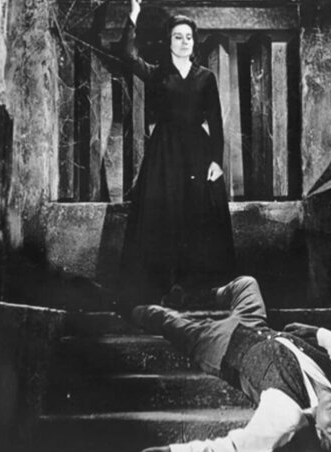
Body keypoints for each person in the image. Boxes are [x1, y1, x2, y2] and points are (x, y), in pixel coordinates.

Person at [131, 276, 331, 452]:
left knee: (162, 319)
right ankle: (186, 298)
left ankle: (127, 308)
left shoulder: (287, 414)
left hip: (222, 346)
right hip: (256, 325)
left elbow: (237, 447)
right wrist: (317, 332)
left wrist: (171, 451)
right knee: (247, 283)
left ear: (320, 433)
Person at [119, 0, 235, 305]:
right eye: (178, 37)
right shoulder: (158, 74)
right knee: (163, 211)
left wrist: (217, 160)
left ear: (194, 42)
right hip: (165, 152)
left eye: (188, 37)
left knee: (198, 214)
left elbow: (216, 121)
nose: (184, 42)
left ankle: (196, 288)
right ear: (169, 41)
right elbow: (128, 56)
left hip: (197, 152)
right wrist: (133, 16)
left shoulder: (205, 77)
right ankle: (163, 288)